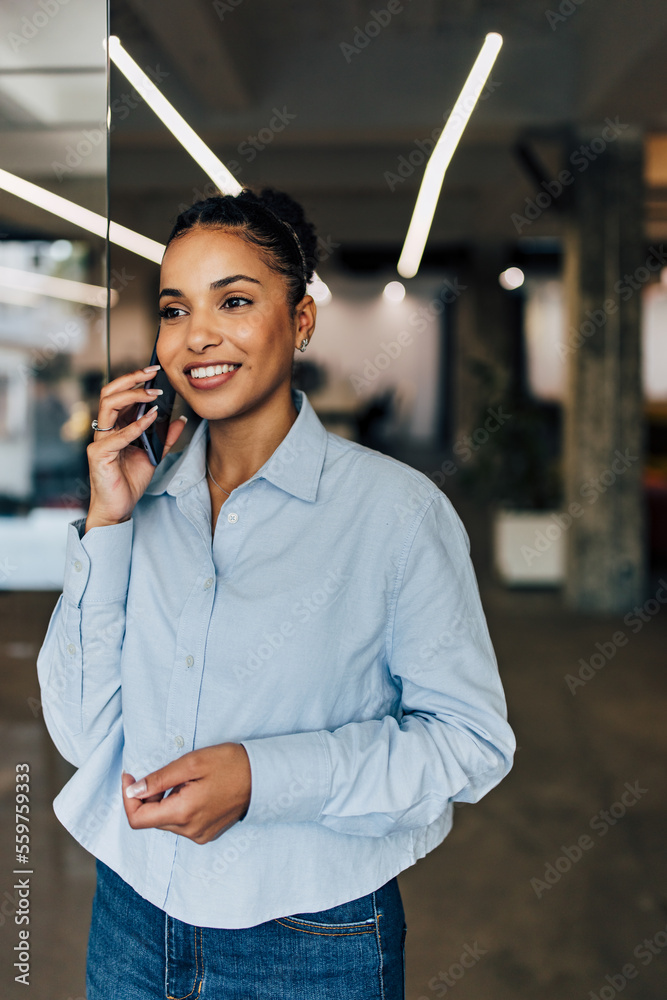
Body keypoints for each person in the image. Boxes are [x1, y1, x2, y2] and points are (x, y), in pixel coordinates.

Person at [36, 187, 516, 999]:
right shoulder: (140, 502)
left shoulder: (396, 515)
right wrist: (107, 521)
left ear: (300, 321)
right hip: (131, 913)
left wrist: (267, 778)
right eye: (175, 309)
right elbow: (84, 732)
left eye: (234, 300)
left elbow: (469, 744)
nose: (199, 336)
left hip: (311, 937)